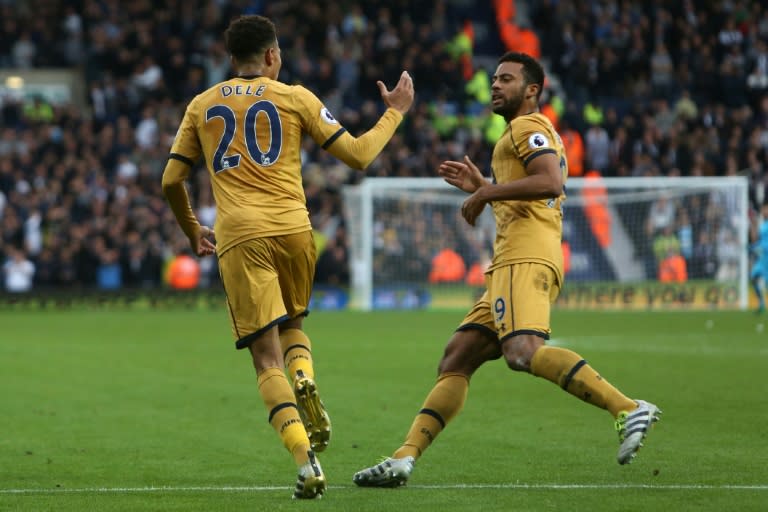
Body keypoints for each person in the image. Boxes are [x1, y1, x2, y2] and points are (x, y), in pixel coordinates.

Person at [353, 52, 660, 488]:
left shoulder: (527, 127)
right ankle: (404, 458)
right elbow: (528, 194)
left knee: (522, 352)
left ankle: (627, 408)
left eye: (507, 79)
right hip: (511, 262)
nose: (496, 85)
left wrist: (485, 193)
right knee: (457, 357)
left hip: (523, 257)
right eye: (494, 79)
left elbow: (550, 182)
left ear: (531, 90)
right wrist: (483, 187)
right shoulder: (521, 133)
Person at [161, 14, 414, 499]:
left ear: (231, 59)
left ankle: (306, 462)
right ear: (273, 55)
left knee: (264, 359)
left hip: (240, 236)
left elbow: (171, 181)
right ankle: (305, 376)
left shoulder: (202, 104)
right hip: (296, 230)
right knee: (294, 326)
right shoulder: (297, 97)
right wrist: (395, 112)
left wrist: (194, 229)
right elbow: (360, 155)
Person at [750, 203, 768, 313]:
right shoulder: (762, 225)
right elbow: (756, 240)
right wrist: (753, 225)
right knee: (753, 277)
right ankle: (761, 303)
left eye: (766, 208)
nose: (764, 211)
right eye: (763, 209)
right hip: (762, 259)